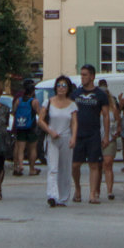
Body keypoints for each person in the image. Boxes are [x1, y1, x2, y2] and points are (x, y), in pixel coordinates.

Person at [71, 64, 110, 204]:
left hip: (93, 133)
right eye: (81, 74)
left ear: (92, 76)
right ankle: (77, 188)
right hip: (78, 133)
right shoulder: (75, 93)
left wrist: (106, 135)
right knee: (75, 164)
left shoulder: (100, 94)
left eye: (85, 74)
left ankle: (92, 194)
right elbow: (69, 112)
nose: (82, 77)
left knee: (94, 164)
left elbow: (106, 115)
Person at [37, 75, 77, 207]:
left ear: (68, 88)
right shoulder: (48, 102)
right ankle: (52, 196)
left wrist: (73, 137)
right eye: (59, 85)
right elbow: (40, 120)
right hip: (52, 138)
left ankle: (63, 198)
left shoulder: (72, 105)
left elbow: (74, 123)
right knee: (52, 168)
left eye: (64, 86)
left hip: (66, 137)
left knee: (65, 169)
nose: (61, 88)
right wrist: (50, 132)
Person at [11, 78, 41, 176]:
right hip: (31, 127)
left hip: (20, 127)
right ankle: (32, 169)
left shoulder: (18, 100)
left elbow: (14, 112)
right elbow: (40, 114)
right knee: (32, 149)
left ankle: (20, 165)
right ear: (32, 91)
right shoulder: (34, 101)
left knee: (20, 148)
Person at [101, 88, 121, 200]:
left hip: (110, 139)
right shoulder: (95, 109)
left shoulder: (113, 109)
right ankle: (96, 190)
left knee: (108, 164)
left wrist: (118, 130)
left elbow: (119, 122)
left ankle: (109, 191)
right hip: (96, 139)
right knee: (98, 166)